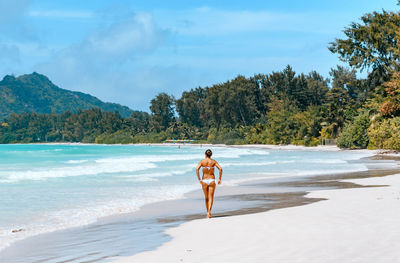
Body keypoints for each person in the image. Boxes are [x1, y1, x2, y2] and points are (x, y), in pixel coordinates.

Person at [196, 149, 222, 218]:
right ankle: (209, 212)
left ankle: (207, 211)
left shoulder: (202, 162)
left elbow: (197, 169)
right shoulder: (213, 161)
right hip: (212, 180)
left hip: (204, 180)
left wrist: (199, 179)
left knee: (206, 197)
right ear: (211, 155)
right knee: (211, 197)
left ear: (205, 154)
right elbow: (220, 169)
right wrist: (219, 179)